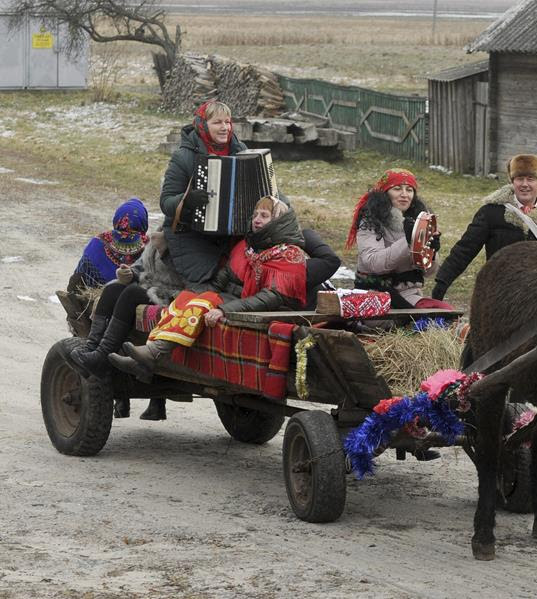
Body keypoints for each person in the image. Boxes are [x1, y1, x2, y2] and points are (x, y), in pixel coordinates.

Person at [110, 196, 341, 381]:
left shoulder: (289, 256)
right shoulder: (249, 247)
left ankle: (154, 353)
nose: (257, 220)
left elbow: (270, 298)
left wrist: (224, 309)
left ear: (279, 221)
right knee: (189, 298)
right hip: (248, 301)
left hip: (273, 309)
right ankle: (149, 355)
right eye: (255, 215)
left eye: (264, 215)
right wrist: (192, 294)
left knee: (201, 303)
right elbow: (221, 281)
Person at [66, 230, 185, 420]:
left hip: (177, 293)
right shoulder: (164, 234)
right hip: (154, 285)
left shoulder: (187, 241)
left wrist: (165, 252)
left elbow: (187, 274)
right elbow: (142, 266)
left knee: (130, 294)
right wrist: (130, 273)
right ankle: (92, 348)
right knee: (113, 288)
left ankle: (100, 356)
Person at [430, 154, 537, 302]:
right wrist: (442, 283)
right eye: (519, 178)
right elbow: (465, 249)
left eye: (531, 179)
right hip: (500, 291)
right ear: (512, 181)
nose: (524, 184)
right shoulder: (492, 212)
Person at [158, 99, 247, 289]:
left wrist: (279, 204)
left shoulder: (242, 152)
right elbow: (166, 202)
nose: (225, 127)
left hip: (233, 233)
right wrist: (187, 201)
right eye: (217, 122)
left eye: (228, 122)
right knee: (211, 287)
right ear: (202, 126)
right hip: (192, 235)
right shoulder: (184, 157)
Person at [346, 168, 453, 310]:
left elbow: (428, 272)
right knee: (428, 320)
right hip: (376, 297)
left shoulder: (419, 221)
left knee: (446, 314)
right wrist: (409, 242)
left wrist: (431, 253)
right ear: (385, 193)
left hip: (410, 294)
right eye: (397, 189)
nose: (404, 195)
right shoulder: (370, 221)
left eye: (409, 190)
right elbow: (373, 263)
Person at [67, 198, 149, 293]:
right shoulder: (150, 246)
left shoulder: (98, 242)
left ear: (117, 220)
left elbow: (78, 277)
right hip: (133, 297)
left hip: (100, 296)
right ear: (144, 223)